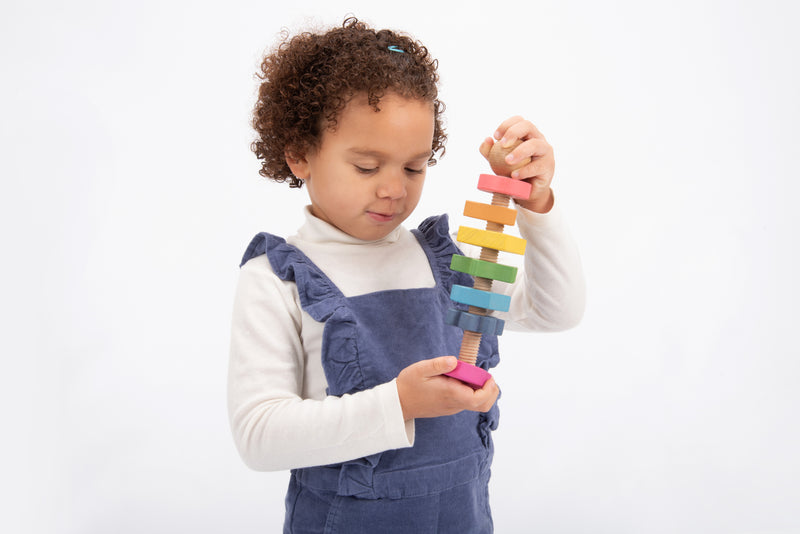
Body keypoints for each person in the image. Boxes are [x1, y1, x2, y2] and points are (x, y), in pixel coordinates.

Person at [228, 17, 585, 533]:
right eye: (368, 167)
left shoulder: (442, 262)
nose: (394, 189)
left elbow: (558, 311)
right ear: (300, 154)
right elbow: (259, 435)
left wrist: (537, 202)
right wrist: (400, 403)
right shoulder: (276, 278)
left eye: (414, 168)